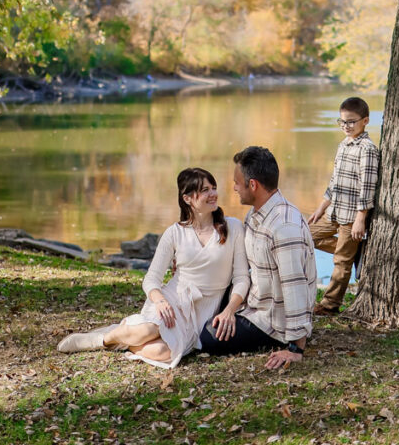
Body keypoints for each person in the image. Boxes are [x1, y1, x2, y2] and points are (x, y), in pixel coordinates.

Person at [56, 168, 249, 368]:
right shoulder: (175, 233)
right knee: (147, 330)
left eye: (214, 188)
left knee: (163, 353)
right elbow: (151, 279)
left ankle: (124, 340)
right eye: (205, 190)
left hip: (203, 311)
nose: (213, 194)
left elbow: (242, 278)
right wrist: (160, 301)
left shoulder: (233, 227)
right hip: (173, 300)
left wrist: (229, 311)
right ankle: (102, 340)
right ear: (188, 198)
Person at [199, 146, 317, 370]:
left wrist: (296, 348)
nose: (234, 187)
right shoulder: (255, 214)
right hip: (254, 302)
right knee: (197, 297)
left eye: (236, 182)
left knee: (205, 338)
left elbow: (295, 288)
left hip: (271, 323)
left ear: (252, 184)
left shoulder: (284, 227)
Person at [307, 96, 380, 316]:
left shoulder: (367, 149)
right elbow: (335, 181)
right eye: (342, 122)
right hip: (334, 210)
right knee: (305, 235)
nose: (345, 126)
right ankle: (355, 253)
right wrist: (322, 206)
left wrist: (361, 218)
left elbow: (367, 186)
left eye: (351, 121)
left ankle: (330, 304)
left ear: (365, 121)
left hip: (351, 216)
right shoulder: (343, 144)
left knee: (341, 261)